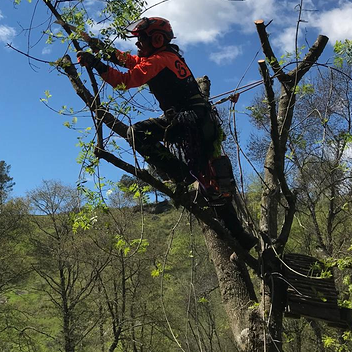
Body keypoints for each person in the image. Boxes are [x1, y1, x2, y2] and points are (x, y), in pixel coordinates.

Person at [77, 17, 258, 250]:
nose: (137, 45)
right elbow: (131, 61)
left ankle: (183, 177)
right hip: (196, 120)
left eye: (141, 40)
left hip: (189, 121)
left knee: (139, 134)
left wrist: (97, 65)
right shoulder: (164, 57)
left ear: (157, 39)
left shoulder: (160, 60)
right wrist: (97, 46)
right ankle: (240, 235)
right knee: (210, 183)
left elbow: (125, 81)